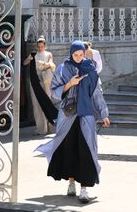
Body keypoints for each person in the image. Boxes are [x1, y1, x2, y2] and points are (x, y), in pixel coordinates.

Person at [36, 40, 110, 202]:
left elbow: (96, 93)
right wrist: (70, 83)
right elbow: (55, 91)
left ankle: (84, 189)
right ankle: (71, 183)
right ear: (71, 53)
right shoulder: (63, 68)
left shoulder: (90, 69)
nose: (78, 57)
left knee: (86, 150)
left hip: (86, 115)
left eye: (81, 55)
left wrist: (104, 113)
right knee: (68, 148)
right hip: (68, 115)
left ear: (84, 54)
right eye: (75, 55)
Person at [23, 37, 56, 134]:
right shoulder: (33, 54)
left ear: (45, 46)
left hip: (45, 80)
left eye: (42, 46)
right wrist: (29, 59)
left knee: (47, 101)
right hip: (35, 80)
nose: (40, 48)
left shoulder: (48, 54)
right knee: (36, 104)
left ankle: (50, 127)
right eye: (39, 46)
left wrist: (44, 63)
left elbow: (52, 64)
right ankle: (41, 129)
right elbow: (24, 63)